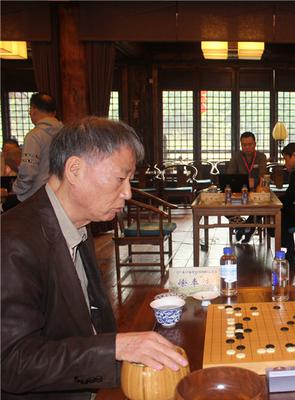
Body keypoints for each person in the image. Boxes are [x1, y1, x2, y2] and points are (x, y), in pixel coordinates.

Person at [1, 117, 188, 400]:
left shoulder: (78, 221)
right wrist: (114, 349)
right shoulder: (13, 242)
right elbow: (12, 363)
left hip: (92, 382)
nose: (127, 192)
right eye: (120, 178)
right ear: (74, 170)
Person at [12, 93, 64, 205]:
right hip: (61, 195)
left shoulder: (34, 136)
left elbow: (28, 170)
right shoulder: (66, 134)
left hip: (37, 197)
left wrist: (16, 188)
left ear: (33, 109)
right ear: (54, 113)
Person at [226, 131, 267, 243]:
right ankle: (243, 227)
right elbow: (230, 175)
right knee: (225, 207)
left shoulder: (261, 157)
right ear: (241, 145)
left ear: (255, 144)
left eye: (250, 144)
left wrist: (255, 185)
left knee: (263, 207)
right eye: (244, 145)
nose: (247, 147)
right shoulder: (236, 156)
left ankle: (246, 229)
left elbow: (262, 176)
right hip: (239, 191)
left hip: (257, 191)